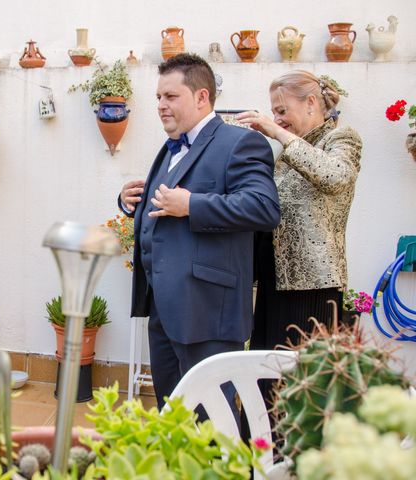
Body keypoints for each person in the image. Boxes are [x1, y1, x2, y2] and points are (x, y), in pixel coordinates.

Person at [118, 53, 280, 410]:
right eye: (158, 97)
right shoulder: (169, 148)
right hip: (164, 309)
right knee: (172, 416)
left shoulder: (240, 143)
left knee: (211, 422)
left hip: (209, 313)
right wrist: (133, 202)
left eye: (171, 97)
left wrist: (192, 205)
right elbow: (168, 206)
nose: (161, 105)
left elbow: (264, 208)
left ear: (202, 96)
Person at [236, 71, 362, 351]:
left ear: (311, 103)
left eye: (282, 111)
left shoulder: (341, 137)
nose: (277, 119)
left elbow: (335, 176)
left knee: (301, 377)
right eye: (273, 113)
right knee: (267, 371)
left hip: (313, 283)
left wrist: (277, 132)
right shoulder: (286, 152)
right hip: (274, 279)